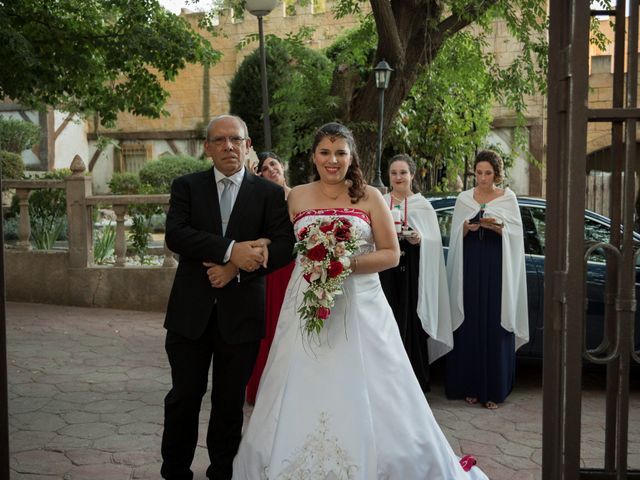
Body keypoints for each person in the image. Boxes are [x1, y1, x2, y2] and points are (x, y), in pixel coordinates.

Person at [232, 122, 488, 479]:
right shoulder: (297, 196)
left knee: (377, 384)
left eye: (340, 153)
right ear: (314, 156)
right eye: (325, 152)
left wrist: (343, 263)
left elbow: (390, 254)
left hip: (361, 306)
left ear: (351, 156)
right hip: (306, 304)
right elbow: (281, 245)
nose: (332, 160)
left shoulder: (369, 197)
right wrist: (254, 251)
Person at [161, 115, 296, 480]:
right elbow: (177, 234)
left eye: (235, 139)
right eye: (219, 140)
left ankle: (222, 472)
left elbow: (284, 246)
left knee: (229, 403)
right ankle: (174, 471)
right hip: (190, 313)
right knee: (183, 399)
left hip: (241, 313)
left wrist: (237, 268)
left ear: (248, 145)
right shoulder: (187, 186)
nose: (228, 146)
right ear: (207, 147)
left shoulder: (268, 193)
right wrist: (231, 250)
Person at [445, 150, 529, 410]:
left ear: (497, 173)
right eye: (479, 173)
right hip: (470, 266)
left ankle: (493, 389)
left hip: (497, 266)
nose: (482, 178)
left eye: (488, 173)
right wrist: (465, 229)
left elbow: (516, 234)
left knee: (495, 322)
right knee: (470, 321)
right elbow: (455, 235)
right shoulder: (464, 199)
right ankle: (469, 386)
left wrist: (500, 228)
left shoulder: (508, 198)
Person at [379, 154, 453, 393]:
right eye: (394, 173)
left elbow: (433, 242)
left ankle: (412, 382)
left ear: (412, 174)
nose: (398, 177)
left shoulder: (422, 205)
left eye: (403, 172)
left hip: (413, 272)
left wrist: (420, 238)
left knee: (410, 320)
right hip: (385, 272)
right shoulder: (381, 202)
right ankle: (386, 382)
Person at [245, 151, 295, 405]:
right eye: (264, 169)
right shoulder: (261, 199)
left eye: (274, 164)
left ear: (282, 166)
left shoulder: (302, 195)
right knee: (271, 325)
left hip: (298, 268)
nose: (271, 170)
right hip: (274, 269)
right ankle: (265, 387)